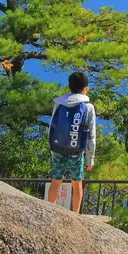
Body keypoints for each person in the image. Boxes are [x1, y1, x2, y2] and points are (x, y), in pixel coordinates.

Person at [45, 70, 96, 212]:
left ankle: (50, 211)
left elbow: (52, 125)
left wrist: (52, 147)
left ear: (69, 86)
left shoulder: (59, 103)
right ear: (86, 89)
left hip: (58, 147)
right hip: (76, 150)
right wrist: (90, 158)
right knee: (77, 182)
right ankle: (76, 215)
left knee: (56, 180)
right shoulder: (88, 107)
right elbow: (91, 134)